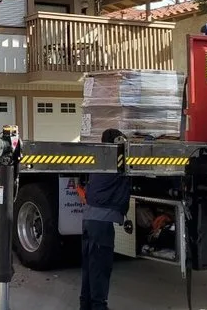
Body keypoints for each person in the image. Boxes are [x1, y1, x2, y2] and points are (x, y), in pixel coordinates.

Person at [76, 128, 132, 310]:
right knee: (101, 268)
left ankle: (85, 305)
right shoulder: (119, 164)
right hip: (101, 224)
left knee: (90, 267)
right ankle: (99, 307)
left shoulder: (100, 161)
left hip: (89, 221)